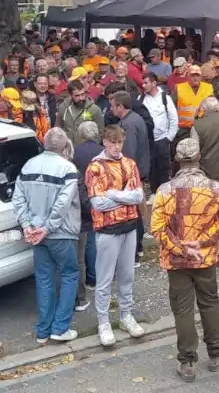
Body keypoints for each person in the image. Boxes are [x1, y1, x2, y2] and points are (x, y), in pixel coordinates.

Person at [151, 137, 219, 382]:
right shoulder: (214, 188)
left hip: (177, 262)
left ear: (177, 160)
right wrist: (202, 243)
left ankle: (187, 362)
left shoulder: (164, 190)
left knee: (183, 310)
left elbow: (157, 229)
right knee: (209, 304)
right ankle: (217, 354)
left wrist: (181, 248)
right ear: (199, 158)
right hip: (205, 258)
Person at [12, 128, 81, 344]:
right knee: (70, 275)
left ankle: (43, 330)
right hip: (61, 233)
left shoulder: (28, 166)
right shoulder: (68, 169)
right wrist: (48, 227)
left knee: (44, 279)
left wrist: (27, 225)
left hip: (36, 232)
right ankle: (60, 328)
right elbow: (63, 203)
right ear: (64, 146)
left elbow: (18, 198)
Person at [85, 125, 146, 347]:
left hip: (129, 226)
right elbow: (97, 203)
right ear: (105, 142)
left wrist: (114, 194)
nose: (116, 147)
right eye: (112, 142)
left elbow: (139, 195)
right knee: (104, 279)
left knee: (127, 275)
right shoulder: (95, 167)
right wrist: (125, 197)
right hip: (107, 229)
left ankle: (126, 316)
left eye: (119, 142)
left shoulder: (130, 164)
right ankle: (103, 322)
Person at [71, 121, 102, 311]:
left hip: (83, 197)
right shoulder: (102, 152)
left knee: (87, 240)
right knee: (97, 239)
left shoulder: (75, 153)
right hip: (100, 196)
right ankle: (97, 276)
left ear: (81, 135)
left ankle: (90, 278)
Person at [140, 73, 178, 194]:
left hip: (162, 140)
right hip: (147, 142)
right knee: (151, 171)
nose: (143, 85)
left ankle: (166, 197)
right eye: (143, 82)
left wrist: (168, 138)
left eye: (146, 83)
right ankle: (154, 196)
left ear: (154, 83)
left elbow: (174, 119)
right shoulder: (140, 99)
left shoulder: (165, 98)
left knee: (163, 171)